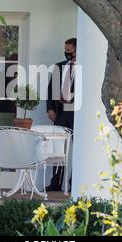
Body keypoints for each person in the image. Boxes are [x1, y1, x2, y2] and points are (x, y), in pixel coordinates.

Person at [45, 38, 76, 192]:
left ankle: (73, 182)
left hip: (78, 113)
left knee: (77, 148)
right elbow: (50, 90)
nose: (66, 53)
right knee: (58, 147)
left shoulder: (86, 65)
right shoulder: (59, 66)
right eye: (65, 50)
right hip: (61, 112)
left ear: (77, 50)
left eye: (69, 51)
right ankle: (56, 182)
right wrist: (50, 108)